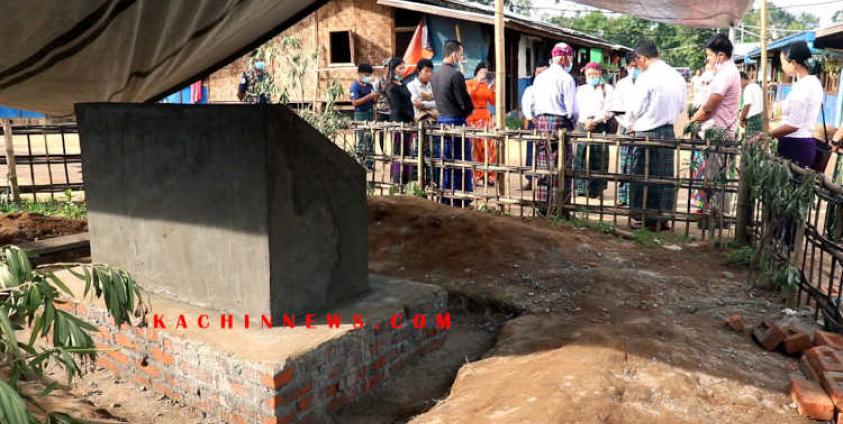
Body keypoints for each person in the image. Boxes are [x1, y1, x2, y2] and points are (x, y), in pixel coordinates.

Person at [626, 38, 687, 231]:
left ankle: (645, 218)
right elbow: (682, 106)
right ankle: (663, 217)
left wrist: (629, 122)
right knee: (664, 177)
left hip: (647, 130)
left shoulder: (646, 77)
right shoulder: (676, 76)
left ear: (641, 59)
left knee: (644, 176)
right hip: (668, 130)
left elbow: (636, 107)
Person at [688, 33, 741, 224]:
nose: (707, 59)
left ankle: (716, 217)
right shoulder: (728, 72)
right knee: (714, 177)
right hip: (722, 131)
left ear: (720, 55)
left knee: (715, 179)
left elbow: (709, 108)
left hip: (719, 133)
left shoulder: (726, 74)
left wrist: (691, 123)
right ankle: (713, 215)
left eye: (709, 55)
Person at [531, 42, 579, 213]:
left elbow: (531, 103)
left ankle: (544, 207)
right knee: (561, 166)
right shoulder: (567, 79)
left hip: (541, 122)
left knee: (544, 166)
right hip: (560, 123)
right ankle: (561, 208)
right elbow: (572, 109)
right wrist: (572, 123)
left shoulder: (540, 77)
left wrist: (535, 120)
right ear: (566, 58)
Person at [431, 39, 474, 207]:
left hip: (441, 120)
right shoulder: (456, 75)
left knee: (445, 160)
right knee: (461, 161)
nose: (461, 58)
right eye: (461, 54)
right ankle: (459, 197)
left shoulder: (435, 75)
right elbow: (464, 102)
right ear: (455, 54)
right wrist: (467, 111)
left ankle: (445, 196)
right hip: (456, 121)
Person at [769, 41, 824, 169]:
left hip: (795, 146)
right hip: (801, 144)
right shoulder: (813, 82)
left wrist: (768, 134)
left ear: (793, 63)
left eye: (783, 63)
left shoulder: (804, 86)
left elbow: (794, 125)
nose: (782, 67)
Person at [574, 62, 615, 198]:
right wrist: (585, 121)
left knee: (598, 157)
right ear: (585, 75)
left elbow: (608, 110)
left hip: (599, 125)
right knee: (582, 156)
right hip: (583, 125)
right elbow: (577, 108)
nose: (592, 77)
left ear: (600, 74)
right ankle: (581, 188)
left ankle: (596, 190)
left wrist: (594, 121)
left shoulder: (607, 89)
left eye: (595, 74)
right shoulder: (581, 89)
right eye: (589, 74)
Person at [612, 51, 641, 206]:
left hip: (643, 127)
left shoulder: (647, 82)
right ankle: (623, 197)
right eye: (632, 66)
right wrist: (627, 125)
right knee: (625, 164)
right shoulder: (622, 84)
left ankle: (636, 199)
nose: (635, 69)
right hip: (626, 126)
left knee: (640, 164)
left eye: (637, 66)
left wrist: (638, 125)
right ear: (627, 66)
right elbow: (617, 110)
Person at [385, 58, 416, 185]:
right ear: (393, 70)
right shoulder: (391, 87)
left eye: (404, 67)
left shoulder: (402, 84)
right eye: (400, 68)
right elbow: (397, 107)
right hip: (398, 122)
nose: (403, 70)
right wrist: (411, 117)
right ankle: (397, 179)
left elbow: (408, 101)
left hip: (407, 121)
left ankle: (406, 178)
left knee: (407, 151)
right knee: (399, 151)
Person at [466, 62, 497, 186]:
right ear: (477, 72)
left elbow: (493, 102)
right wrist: (478, 82)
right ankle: (477, 176)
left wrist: (493, 89)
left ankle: (490, 175)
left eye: (486, 72)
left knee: (490, 146)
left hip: (485, 116)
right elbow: (468, 96)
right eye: (482, 72)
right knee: (476, 147)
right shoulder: (469, 83)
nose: (484, 74)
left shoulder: (487, 86)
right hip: (473, 116)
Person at [520, 66, 547, 191]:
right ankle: (530, 180)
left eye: (543, 71)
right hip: (534, 122)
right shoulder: (530, 89)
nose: (540, 74)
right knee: (531, 151)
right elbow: (526, 106)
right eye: (538, 71)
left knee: (547, 152)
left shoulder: (551, 89)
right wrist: (532, 119)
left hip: (549, 123)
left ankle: (546, 180)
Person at [349, 63, 380, 169]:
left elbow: (374, 101)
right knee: (362, 139)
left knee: (370, 139)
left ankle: (369, 164)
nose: (368, 77)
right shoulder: (354, 86)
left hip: (370, 113)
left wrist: (376, 95)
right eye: (366, 75)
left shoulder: (369, 86)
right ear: (359, 74)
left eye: (369, 75)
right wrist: (369, 96)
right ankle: (361, 163)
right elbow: (355, 103)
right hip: (360, 114)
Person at [740, 72, 764, 138]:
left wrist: (742, 119)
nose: (739, 85)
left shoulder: (748, 88)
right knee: (758, 141)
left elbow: (747, 105)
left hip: (752, 120)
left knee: (750, 143)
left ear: (742, 79)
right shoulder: (756, 86)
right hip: (760, 117)